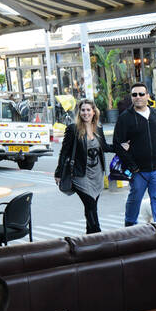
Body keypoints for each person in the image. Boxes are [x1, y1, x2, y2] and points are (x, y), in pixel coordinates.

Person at [113, 82, 156, 226]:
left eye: (141, 94)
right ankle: (129, 226)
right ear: (131, 97)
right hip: (138, 172)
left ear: (148, 96)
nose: (138, 97)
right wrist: (132, 167)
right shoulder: (125, 118)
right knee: (135, 199)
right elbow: (118, 145)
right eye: (134, 95)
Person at [54, 97, 110, 234]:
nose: (85, 113)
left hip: (96, 173)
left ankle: (89, 238)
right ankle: (98, 234)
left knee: (91, 206)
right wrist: (58, 172)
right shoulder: (73, 129)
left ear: (94, 112)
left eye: (88, 110)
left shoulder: (98, 128)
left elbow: (105, 147)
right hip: (80, 174)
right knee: (90, 204)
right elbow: (64, 152)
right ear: (79, 112)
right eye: (83, 110)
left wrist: (122, 147)